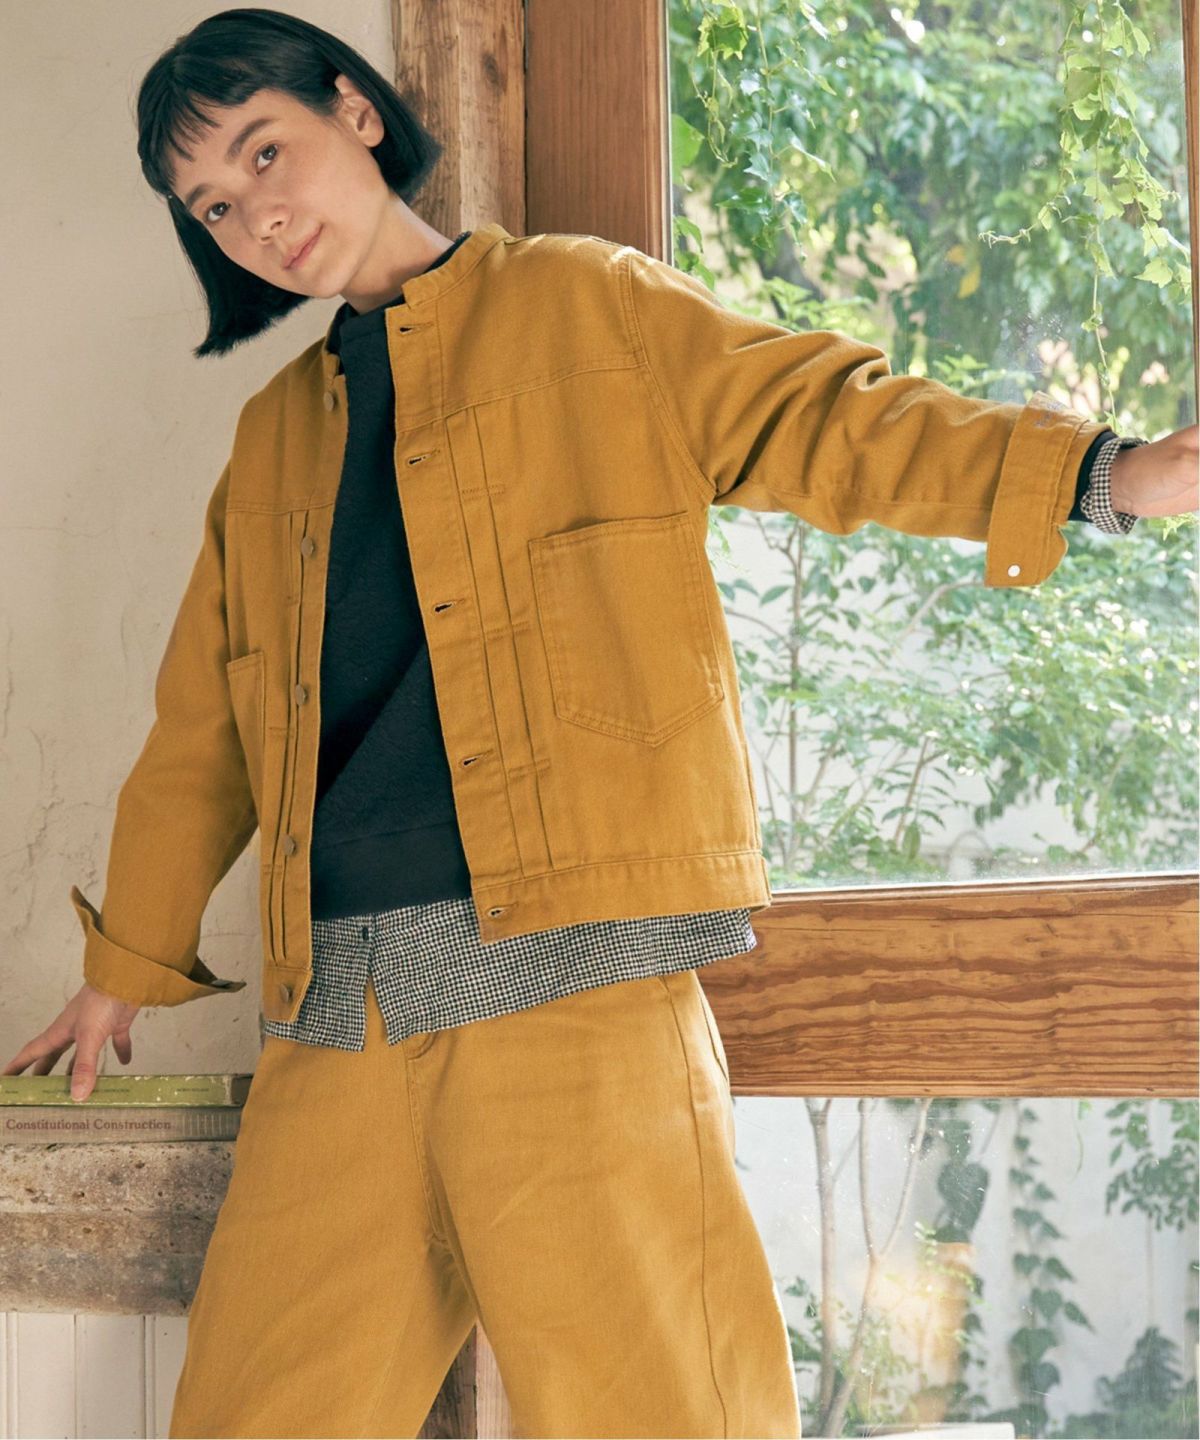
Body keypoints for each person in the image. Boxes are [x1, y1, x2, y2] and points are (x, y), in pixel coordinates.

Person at [4, 8, 1197, 1439]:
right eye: (212, 205)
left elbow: (826, 419)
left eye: (265, 152)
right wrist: (122, 971)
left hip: (574, 989)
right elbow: (203, 730)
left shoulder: (586, 308)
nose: (255, 214)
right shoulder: (273, 439)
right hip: (344, 1018)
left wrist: (1102, 478)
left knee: (664, 1416)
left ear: (355, 111)